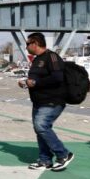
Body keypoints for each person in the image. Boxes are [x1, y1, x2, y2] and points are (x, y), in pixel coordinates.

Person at [20, 32, 74, 171]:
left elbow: (57, 78)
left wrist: (36, 82)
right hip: (39, 101)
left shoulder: (52, 57)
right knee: (39, 130)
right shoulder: (37, 59)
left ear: (35, 43)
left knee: (41, 125)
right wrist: (26, 83)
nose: (26, 47)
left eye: (27, 44)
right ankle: (45, 160)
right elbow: (37, 80)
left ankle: (63, 154)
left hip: (52, 100)